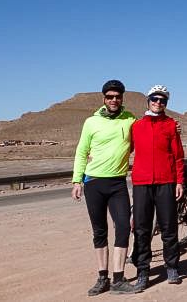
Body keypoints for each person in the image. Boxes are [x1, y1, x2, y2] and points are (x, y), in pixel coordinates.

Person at [71, 79, 141, 295]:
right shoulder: (91, 122)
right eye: (110, 97)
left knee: (122, 227)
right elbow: (82, 151)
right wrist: (77, 181)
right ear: (104, 98)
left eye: (117, 97)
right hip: (93, 182)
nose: (114, 100)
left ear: (122, 99)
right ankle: (102, 278)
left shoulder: (130, 120)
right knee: (99, 231)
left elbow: (145, 137)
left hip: (117, 183)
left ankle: (118, 279)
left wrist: (173, 127)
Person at [130, 85, 186, 289]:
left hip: (166, 182)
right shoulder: (136, 126)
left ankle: (171, 267)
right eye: (155, 99)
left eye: (163, 101)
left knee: (169, 228)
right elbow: (123, 148)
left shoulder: (171, 125)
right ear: (148, 100)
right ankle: (143, 271)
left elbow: (178, 155)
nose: (158, 103)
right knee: (142, 229)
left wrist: (179, 181)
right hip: (142, 183)